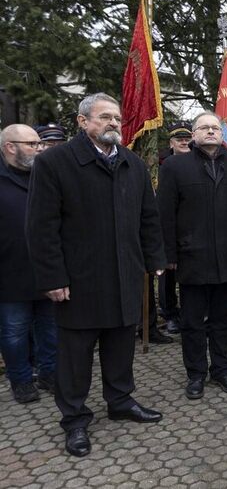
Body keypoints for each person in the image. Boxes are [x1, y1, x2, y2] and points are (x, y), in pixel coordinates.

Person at [27, 93, 167, 457]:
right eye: (104, 117)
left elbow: (148, 218)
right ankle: (75, 419)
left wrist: (155, 259)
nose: (113, 124)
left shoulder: (132, 164)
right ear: (82, 121)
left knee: (121, 347)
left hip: (124, 275)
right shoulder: (55, 163)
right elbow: (42, 227)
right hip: (79, 281)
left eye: (117, 119)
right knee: (75, 357)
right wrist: (52, 278)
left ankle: (120, 401)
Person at [158, 111, 227, 400]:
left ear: (222, 134)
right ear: (193, 135)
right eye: (203, 128)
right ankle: (196, 374)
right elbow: (164, 214)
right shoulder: (175, 167)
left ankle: (222, 369)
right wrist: (167, 254)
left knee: (224, 320)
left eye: (214, 128)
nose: (209, 132)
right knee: (192, 322)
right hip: (192, 256)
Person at [0, 125, 56, 404]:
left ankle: (49, 374)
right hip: (9, 275)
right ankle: (21, 380)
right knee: (13, 333)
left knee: (51, 328)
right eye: (32, 144)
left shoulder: (45, 175)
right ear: (11, 146)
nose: (39, 148)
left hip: (47, 270)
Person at [156, 123, 193, 334]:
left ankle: (189, 312)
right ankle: (169, 313)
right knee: (168, 275)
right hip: (168, 227)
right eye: (179, 139)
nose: (184, 142)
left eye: (187, 138)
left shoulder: (197, 162)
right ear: (171, 142)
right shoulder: (161, 165)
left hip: (191, 229)